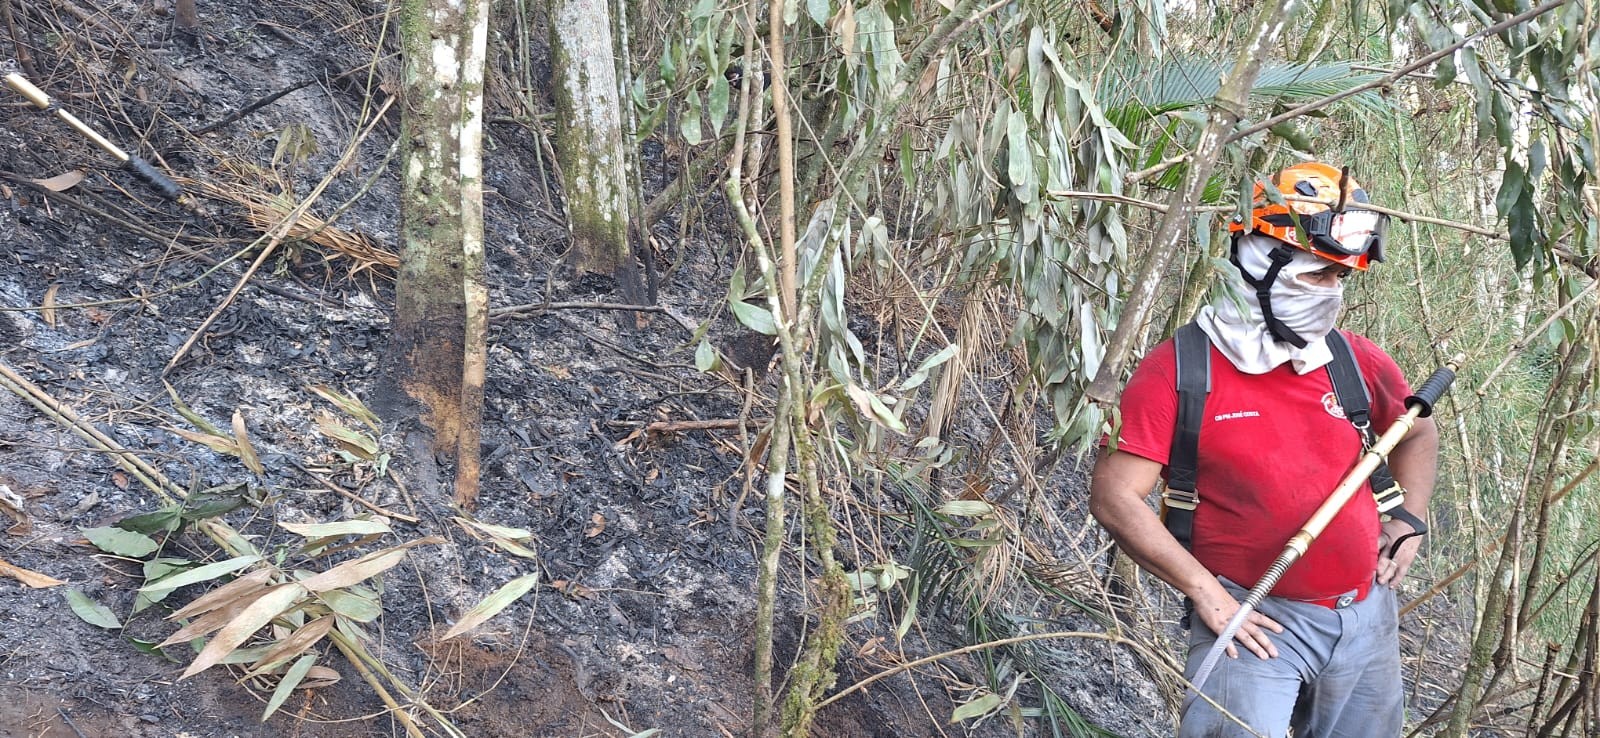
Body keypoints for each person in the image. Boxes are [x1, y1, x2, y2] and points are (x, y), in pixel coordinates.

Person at [1088, 161, 1439, 736]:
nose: (1331, 294)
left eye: (1340, 279)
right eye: (1317, 275)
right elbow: (1115, 496)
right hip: (1252, 621)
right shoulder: (1181, 370)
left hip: (1366, 616)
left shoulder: (1351, 359)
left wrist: (1407, 518)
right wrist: (1203, 591)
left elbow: (1417, 429)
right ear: (1258, 262)